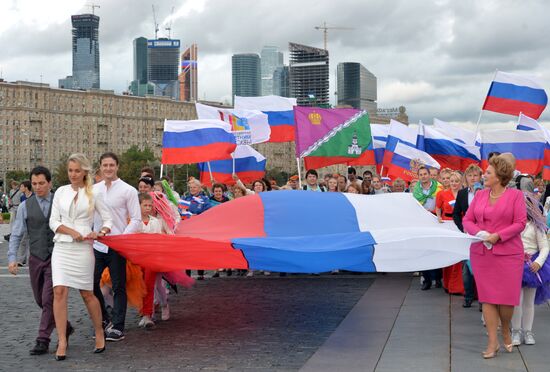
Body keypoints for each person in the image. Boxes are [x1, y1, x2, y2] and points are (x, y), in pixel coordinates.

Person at [49, 154, 113, 360]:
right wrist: (70, 232)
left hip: (84, 248)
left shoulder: (94, 193)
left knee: (87, 294)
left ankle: (99, 330)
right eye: (70, 170)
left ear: (84, 171)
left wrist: (100, 232)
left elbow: (108, 219)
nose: (73, 174)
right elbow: (53, 221)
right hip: (62, 247)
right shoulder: (60, 191)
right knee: (59, 291)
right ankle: (62, 340)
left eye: (77, 170)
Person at [463, 154, 527, 358]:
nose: (483, 175)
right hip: (482, 254)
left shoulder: (515, 196)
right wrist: (479, 233)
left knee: (507, 301)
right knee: (488, 299)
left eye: (488, 172)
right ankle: (492, 341)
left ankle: (506, 329)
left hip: (509, 254)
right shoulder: (480, 195)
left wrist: (498, 236)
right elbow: (467, 219)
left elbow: (520, 223)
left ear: (499, 176)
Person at [7, 166, 75, 356]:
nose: (37, 187)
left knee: (48, 299)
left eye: (42, 183)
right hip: (35, 258)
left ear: (50, 183)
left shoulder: (60, 203)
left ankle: (42, 339)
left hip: (57, 256)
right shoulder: (24, 206)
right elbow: (16, 234)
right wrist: (12, 258)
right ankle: (65, 325)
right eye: (34, 184)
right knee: (40, 299)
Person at [93, 152, 142, 342]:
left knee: (119, 286)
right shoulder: (94, 190)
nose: (108, 169)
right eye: (105, 165)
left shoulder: (128, 190)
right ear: (100, 167)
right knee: (91, 284)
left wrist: (122, 238)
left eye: (111, 165)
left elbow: (136, 219)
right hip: (97, 244)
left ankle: (118, 326)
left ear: (117, 167)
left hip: (117, 245)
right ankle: (104, 319)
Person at [511, 193, 550, 346]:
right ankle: (516, 331)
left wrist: (539, 263)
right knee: (516, 301)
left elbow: (545, 247)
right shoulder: (512, 225)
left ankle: (528, 331)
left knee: (528, 301)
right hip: (514, 265)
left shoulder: (536, 226)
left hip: (532, 267)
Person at [453, 164, 483, 308]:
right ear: (466, 177)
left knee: (483, 269)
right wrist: (462, 228)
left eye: (475, 175)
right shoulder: (462, 193)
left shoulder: (486, 192)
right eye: (470, 175)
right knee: (466, 268)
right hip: (467, 235)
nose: (472, 178)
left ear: (480, 177)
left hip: (483, 235)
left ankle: (484, 300)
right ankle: (469, 296)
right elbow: (456, 213)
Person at [413, 166, 442, 290]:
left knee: (437, 250)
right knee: (424, 250)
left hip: (436, 220)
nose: (423, 176)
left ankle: (438, 278)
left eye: (425, 174)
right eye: (421, 174)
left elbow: (443, 202)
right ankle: (427, 279)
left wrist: (435, 211)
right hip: (422, 222)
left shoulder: (439, 187)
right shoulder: (415, 191)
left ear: (430, 175)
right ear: (418, 176)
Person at [436, 172, 464, 295]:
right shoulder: (441, 194)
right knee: (449, 254)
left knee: (459, 255)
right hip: (447, 225)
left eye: (456, 181)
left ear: (460, 182)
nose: (453, 183)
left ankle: (457, 286)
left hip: (460, 224)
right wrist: (438, 218)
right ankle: (447, 283)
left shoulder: (464, 194)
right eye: (451, 181)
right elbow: (438, 208)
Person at [16, 180, 33, 266]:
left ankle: (32, 259)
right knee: (23, 241)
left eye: (21, 186)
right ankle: (21, 260)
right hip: (25, 222)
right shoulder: (22, 197)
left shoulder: (34, 196)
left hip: (33, 222)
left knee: (33, 242)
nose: (20, 188)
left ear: (26, 187)